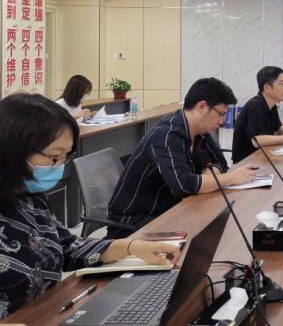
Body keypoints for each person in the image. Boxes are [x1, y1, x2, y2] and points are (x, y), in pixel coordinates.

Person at [0, 94, 181, 320]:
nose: (58, 167)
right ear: (12, 149)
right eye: (54, 157)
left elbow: (66, 247)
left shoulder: (30, 197)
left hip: (46, 314)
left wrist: (130, 247)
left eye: (65, 157)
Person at [107, 78, 256, 238]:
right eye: (220, 114)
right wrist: (232, 178)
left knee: (220, 229)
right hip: (135, 222)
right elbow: (184, 186)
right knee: (206, 236)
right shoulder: (167, 135)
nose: (221, 121)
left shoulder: (200, 131)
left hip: (171, 210)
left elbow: (220, 162)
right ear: (201, 107)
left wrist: (204, 180)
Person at [232, 67, 283, 163]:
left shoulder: (272, 104)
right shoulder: (256, 105)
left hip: (263, 155)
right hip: (247, 161)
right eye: (281, 83)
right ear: (267, 88)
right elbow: (257, 140)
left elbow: (278, 129)